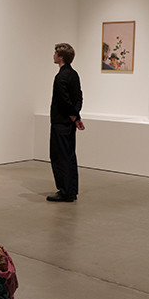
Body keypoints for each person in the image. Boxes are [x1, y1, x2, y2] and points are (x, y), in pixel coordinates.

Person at [47, 43, 85, 202]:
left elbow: (64, 100)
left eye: (55, 53)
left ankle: (65, 191)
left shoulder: (60, 77)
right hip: (69, 122)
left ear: (61, 57)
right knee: (69, 155)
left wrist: (73, 116)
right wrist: (76, 116)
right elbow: (79, 97)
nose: (53, 56)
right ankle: (71, 190)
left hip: (61, 122)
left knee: (59, 156)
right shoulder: (74, 74)